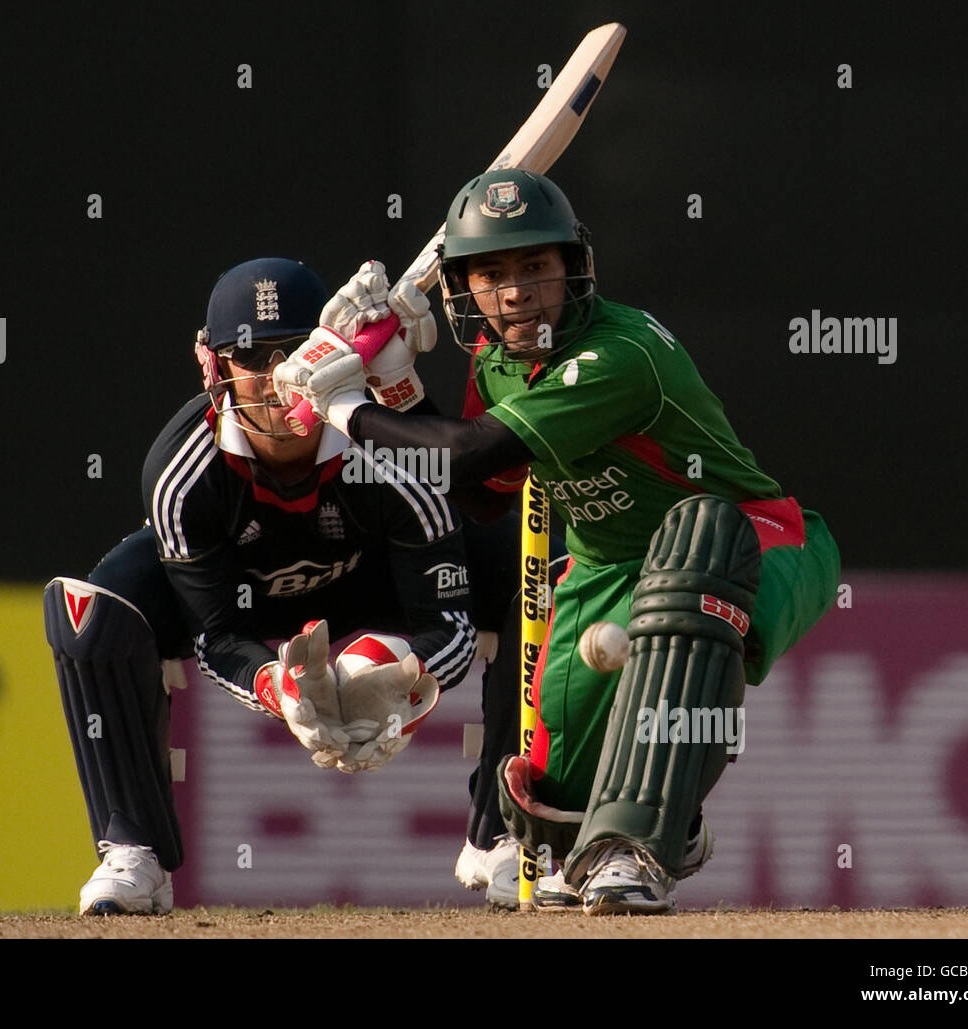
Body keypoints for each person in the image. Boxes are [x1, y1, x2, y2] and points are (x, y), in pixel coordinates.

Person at [273, 171, 841, 915]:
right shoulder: (499, 365)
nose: (516, 292)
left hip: (750, 539)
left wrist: (344, 404)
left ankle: (639, 846)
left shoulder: (619, 353)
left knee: (686, 587)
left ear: (573, 269)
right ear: (464, 288)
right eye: (494, 273)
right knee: (553, 801)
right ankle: (669, 821)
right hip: (607, 571)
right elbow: (479, 494)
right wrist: (395, 385)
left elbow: (464, 451)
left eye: (535, 268)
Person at [44, 257, 503, 915]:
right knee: (89, 610)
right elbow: (218, 634)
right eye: (252, 355)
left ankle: (507, 835)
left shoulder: (387, 445)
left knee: (529, 576)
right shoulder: (182, 470)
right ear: (216, 366)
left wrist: (403, 672)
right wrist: (280, 688)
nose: (273, 376)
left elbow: (450, 623)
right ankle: (131, 852)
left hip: (376, 582)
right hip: (244, 594)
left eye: (290, 350)